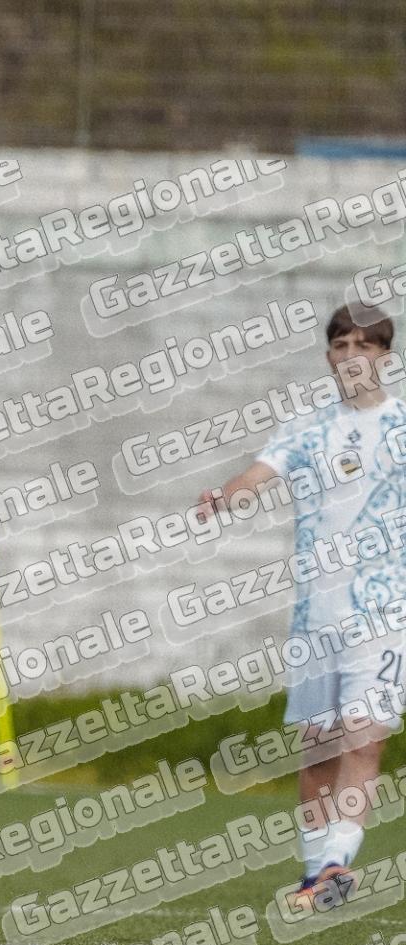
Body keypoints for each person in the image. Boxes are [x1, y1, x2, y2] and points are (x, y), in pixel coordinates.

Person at [196, 301, 406, 908]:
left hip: (384, 616)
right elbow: (256, 475)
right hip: (317, 619)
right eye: (341, 346)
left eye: (364, 345)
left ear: (384, 356)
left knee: (364, 740)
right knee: (318, 750)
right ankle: (316, 874)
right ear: (329, 357)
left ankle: (336, 865)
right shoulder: (306, 429)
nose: (351, 356)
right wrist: (226, 496)